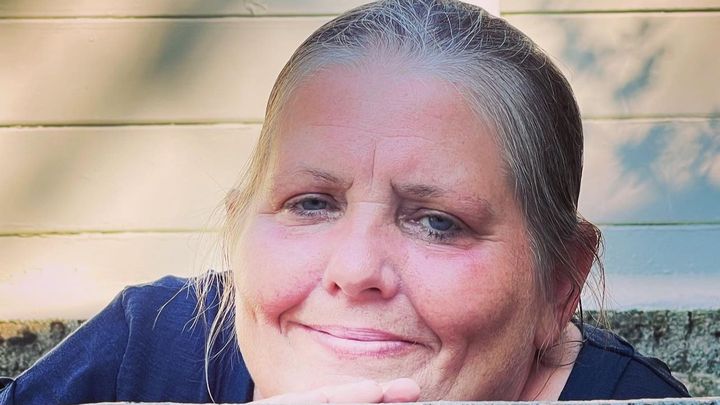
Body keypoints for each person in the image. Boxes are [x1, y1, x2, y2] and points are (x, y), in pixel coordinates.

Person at [0, 0, 690, 403]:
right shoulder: (145, 350)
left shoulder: (628, 399)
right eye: (310, 203)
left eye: (438, 222)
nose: (356, 269)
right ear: (240, 227)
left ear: (560, 282)